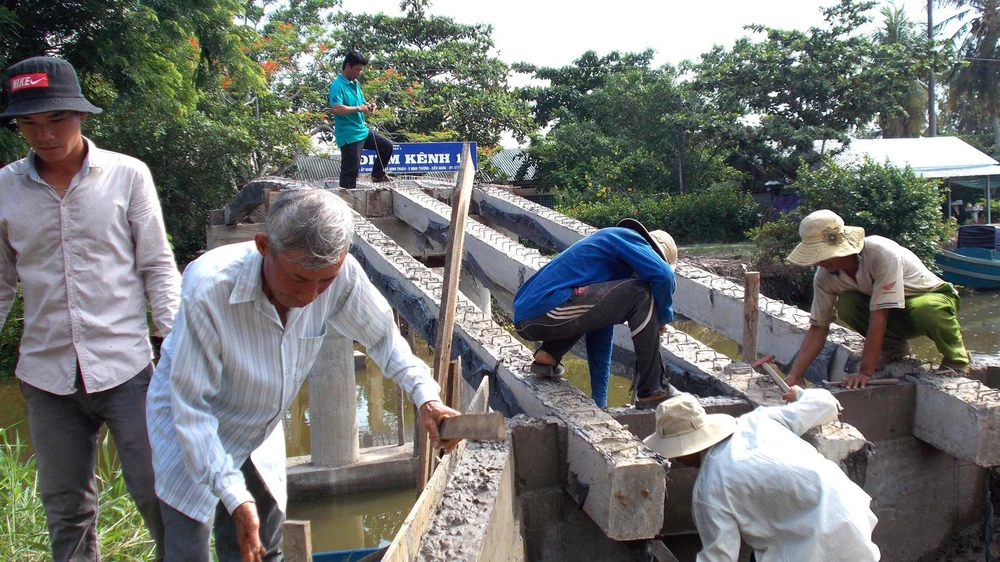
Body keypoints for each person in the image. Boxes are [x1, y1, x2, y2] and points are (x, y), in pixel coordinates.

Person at [146, 188, 460, 561]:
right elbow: (192, 410)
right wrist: (234, 495)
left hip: (259, 426)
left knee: (262, 550)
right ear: (264, 246)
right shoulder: (209, 290)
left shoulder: (340, 276)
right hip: (192, 430)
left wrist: (426, 396)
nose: (311, 295)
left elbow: (384, 340)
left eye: (324, 281)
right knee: (187, 550)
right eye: (298, 280)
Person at [0, 56, 180, 560]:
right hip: (46, 373)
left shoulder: (127, 176)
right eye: (29, 124)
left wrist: (172, 343)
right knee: (65, 507)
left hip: (127, 367)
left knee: (161, 494)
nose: (44, 135)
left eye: (55, 120)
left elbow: (157, 265)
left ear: (79, 116)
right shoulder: (4, 189)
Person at [643, 389, 880, 562]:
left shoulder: (710, 489)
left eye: (677, 455)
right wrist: (800, 394)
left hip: (812, 548)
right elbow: (827, 404)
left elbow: (720, 557)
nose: (677, 460)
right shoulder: (758, 420)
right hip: (852, 515)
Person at [783, 210, 970, 389]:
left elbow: (879, 315)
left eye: (821, 255)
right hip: (889, 312)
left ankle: (957, 360)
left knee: (928, 309)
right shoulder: (824, 276)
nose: (818, 262)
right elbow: (818, 327)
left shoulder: (880, 253)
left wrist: (865, 372)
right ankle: (893, 348)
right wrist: (794, 374)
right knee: (847, 303)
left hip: (926, 299)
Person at [512, 218, 678, 409]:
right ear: (651, 253)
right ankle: (653, 390)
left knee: (586, 306)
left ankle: (549, 355)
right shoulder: (626, 238)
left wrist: (600, 402)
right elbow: (664, 275)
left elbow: (599, 336)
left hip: (532, 315)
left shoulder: (608, 273)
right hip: (546, 307)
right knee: (642, 294)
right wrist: (662, 319)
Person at [328, 49, 394, 188]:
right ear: (347, 66)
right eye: (357, 70)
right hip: (349, 134)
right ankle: (346, 196)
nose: (359, 73)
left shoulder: (355, 84)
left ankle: (377, 175)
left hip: (361, 130)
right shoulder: (337, 86)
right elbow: (336, 108)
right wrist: (358, 109)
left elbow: (361, 103)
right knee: (351, 170)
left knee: (386, 146)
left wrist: (368, 106)